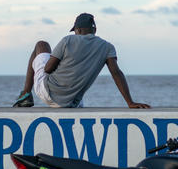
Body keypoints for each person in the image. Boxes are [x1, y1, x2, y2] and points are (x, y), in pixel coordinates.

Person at [13, 13, 150, 109]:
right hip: (72, 103)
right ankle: (28, 94)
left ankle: (25, 94)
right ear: (94, 29)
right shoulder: (107, 47)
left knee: (41, 44)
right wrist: (130, 102)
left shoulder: (68, 40)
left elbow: (48, 69)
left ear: (77, 29)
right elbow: (116, 73)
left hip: (48, 92)